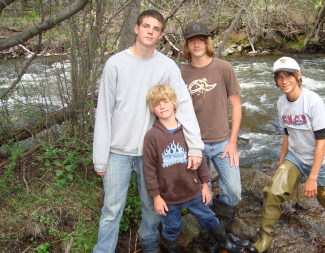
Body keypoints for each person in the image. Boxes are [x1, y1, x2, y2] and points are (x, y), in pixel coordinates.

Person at [92, 10, 204, 253]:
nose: (150, 31)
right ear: (136, 29)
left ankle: (150, 247)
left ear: (161, 35)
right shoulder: (116, 64)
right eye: (146, 26)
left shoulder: (166, 66)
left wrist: (195, 147)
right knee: (112, 210)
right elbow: (104, 112)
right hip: (117, 152)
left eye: (155, 29)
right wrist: (100, 158)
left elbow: (183, 105)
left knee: (153, 209)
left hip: (150, 154)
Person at [252, 56, 325, 252]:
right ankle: (265, 236)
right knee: (272, 192)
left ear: (298, 76)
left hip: (320, 158)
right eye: (279, 77)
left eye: (288, 76)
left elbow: (321, 143)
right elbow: (287, 132)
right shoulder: (281, 102)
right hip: (295, 155)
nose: (284, 81)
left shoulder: (313, 102)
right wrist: (282, 159)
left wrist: (311, 178)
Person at [142, 85, 246, 253]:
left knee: (209, 218)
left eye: (165, 101)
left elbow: (201, 160)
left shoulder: (188, 130)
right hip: (169, 197)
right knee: (171, 227)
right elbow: (149, 170)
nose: (162, 106)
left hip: (193, 190)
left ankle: (225, 243)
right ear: (153, 109)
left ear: (174, 103)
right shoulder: (151, 136)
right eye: (157, 104)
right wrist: (156, 197)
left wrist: (205, 185)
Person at [180, 21, 252, 250]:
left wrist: (233, 141)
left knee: (233, 191)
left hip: (223, 142)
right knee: (205, 196)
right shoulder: (182, 74)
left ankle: (221, 232)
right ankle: (220, 239)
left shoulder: (223, 68)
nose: (197, 44)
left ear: (207, 41)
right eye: (192, 40)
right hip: (195, 145)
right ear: (187, 45)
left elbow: (237, 106)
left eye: (200, 39)